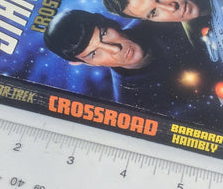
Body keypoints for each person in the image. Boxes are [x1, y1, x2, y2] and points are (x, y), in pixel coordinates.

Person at [44, 9, 207, 112]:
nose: (115, 49)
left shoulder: (162, 12)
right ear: (80, 63)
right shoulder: (134, 105)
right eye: (93, 53)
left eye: (104, 34)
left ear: (108, 21)